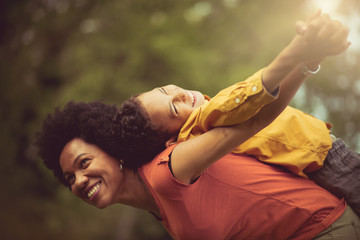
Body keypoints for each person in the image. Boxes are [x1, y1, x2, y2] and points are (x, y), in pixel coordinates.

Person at [35, 12, 360, 239]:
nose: (78, 181)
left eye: (83, 163)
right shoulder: (157, 206)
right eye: (70, 178)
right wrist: (306, 62)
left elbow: (254, 118)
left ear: (112, 151)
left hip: (326, 228)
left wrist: (302, 58)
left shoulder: (167, 172)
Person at [115, 11, 360, 217]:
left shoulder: (206, 122)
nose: (178, 94)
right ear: (171, 141)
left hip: (317, 158)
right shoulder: (204, 122)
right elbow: (243, 98)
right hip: (325, 158)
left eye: (164, 90)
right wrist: (295, 53)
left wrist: (307, 60)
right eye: (173, 108)